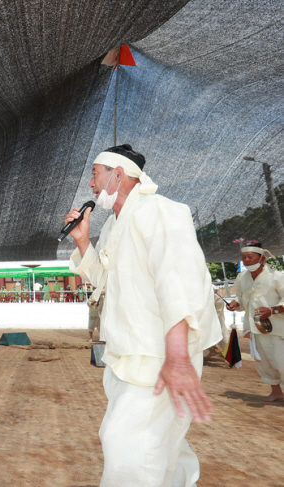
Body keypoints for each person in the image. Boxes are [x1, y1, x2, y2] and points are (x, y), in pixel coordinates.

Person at [65, 144, 220, 486]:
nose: (90, 184)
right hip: (128, 354)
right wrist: (82, 242)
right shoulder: (111, 227)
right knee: (160, 449)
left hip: (160, 358)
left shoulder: (160, 211)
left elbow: (177, 279)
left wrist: (178, 356)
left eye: (95, 174)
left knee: (127, 448)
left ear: (117, 175)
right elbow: (106, 282)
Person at [226, 243, 284, 401]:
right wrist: (236, 303)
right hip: (255, 326)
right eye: (244, 258)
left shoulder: (277, 275)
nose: (246, 260)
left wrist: (272, 310)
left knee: (281, 360)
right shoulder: (241, 277)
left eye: (250, 257)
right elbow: (242, 297)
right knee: (263, 362)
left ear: (262, 258)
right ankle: (276, 391)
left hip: (278, 327)